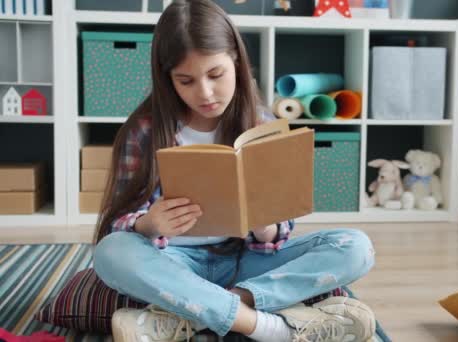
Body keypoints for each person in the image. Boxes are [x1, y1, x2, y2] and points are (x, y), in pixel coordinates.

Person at [92, 1, 376, 341]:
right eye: (186, 81)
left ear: (237, 62)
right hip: (174, 261)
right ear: (168, 80)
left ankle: (198, 313)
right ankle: (265, 327)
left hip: (247, 262)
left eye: (215, 75)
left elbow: (280, 230)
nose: (205, 93)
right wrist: (148, 223)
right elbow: (115, 225)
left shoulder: (263, 124)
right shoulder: (144, 130)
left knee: (356, 247)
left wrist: (265, 225)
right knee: (111, 254)